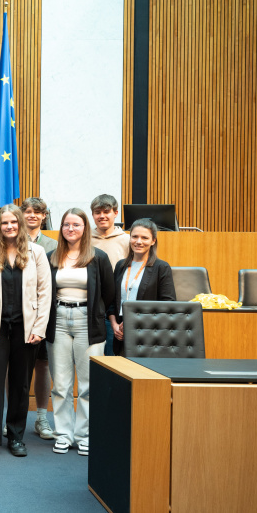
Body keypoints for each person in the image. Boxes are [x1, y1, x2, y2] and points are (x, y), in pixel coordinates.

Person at [0, 205, 51, 459]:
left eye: (13, 222)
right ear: (0, 225)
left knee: (20, 383)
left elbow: (44, 293)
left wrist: (39, 328)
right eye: (4, 223)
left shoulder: (37, 252)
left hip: (26, 330)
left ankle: (16, 435)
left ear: (20, 224)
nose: (9, 227)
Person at [46, 208, 114, 456]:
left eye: (76, 225)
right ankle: (63, 434)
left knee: (87, 384)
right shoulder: (51, 256)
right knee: (61, 384)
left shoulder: (99, 258)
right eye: (66, 225)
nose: (70, 229)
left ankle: (85, 435)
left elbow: (109, 295)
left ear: (85, 228)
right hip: (60, 320)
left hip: (89, 321)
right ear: (61, 228)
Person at [108, 218, 176, 355]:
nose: (138, 241)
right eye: (135, 237)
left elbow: (168, 305)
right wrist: (114, 325)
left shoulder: (161, 267)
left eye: (144, 238)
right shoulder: (120, 266)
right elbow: (111, 302)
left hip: (148, 334)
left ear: (153, 241)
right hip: (120, 333)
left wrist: (134, 323)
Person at [21, 197, 58, 440]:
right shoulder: (11, 239)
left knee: (42, 365)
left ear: (44, 216)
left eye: (38, 212)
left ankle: (42, 418)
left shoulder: (55, 245)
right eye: (28, 211)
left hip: (45, 313)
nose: (32, 215)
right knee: (15, 369)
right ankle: (14, 417)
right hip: (17, 313)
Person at [90, 194, 129, 356]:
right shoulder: (85, 239)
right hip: (92, 303)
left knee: (113, 357)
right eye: (97, 212)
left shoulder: (127, 240)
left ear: (116, 213)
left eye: (106, 212)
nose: (102, 216)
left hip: (117, 305)